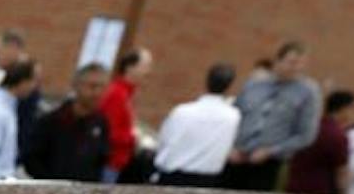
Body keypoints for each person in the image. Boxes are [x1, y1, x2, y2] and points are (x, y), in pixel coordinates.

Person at [224, 40, 319, 191]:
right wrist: (230, 147)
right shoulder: (254, 84)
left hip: (268, 163)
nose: (297, 68)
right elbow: (234, 116)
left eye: (301, 64)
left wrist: (271, 151)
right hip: (236, 157)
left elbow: (306, 135)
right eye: (292, 62)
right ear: (278, 61)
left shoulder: (308, 93)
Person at [151, 62, 240, 186]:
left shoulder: (182, 111)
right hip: (207, 181)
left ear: (207, 81)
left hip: (173, 176)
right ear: (229, 87)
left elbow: (164, 141)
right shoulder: (233, 116)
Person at [22, 62, 111, 181]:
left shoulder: (101, 123)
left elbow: (100, 161)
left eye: (102, 87)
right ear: (76, 86)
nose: (97, 93)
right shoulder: (52, 121)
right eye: (92, 86)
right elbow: (31, 159)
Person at [285, 89, 354, 194]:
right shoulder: (337, 136)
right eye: (352, 109)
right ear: (344, 109)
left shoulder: (307, 127)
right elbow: (341, 173)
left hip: (293, 188)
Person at [100, 48, 151, 183]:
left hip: (117, 163)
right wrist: (134, 139)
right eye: (145, 66)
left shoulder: (126, 94)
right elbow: (108, 131)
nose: (147, 72)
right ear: (130, 67)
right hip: (110, 163)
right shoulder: (117, 94)